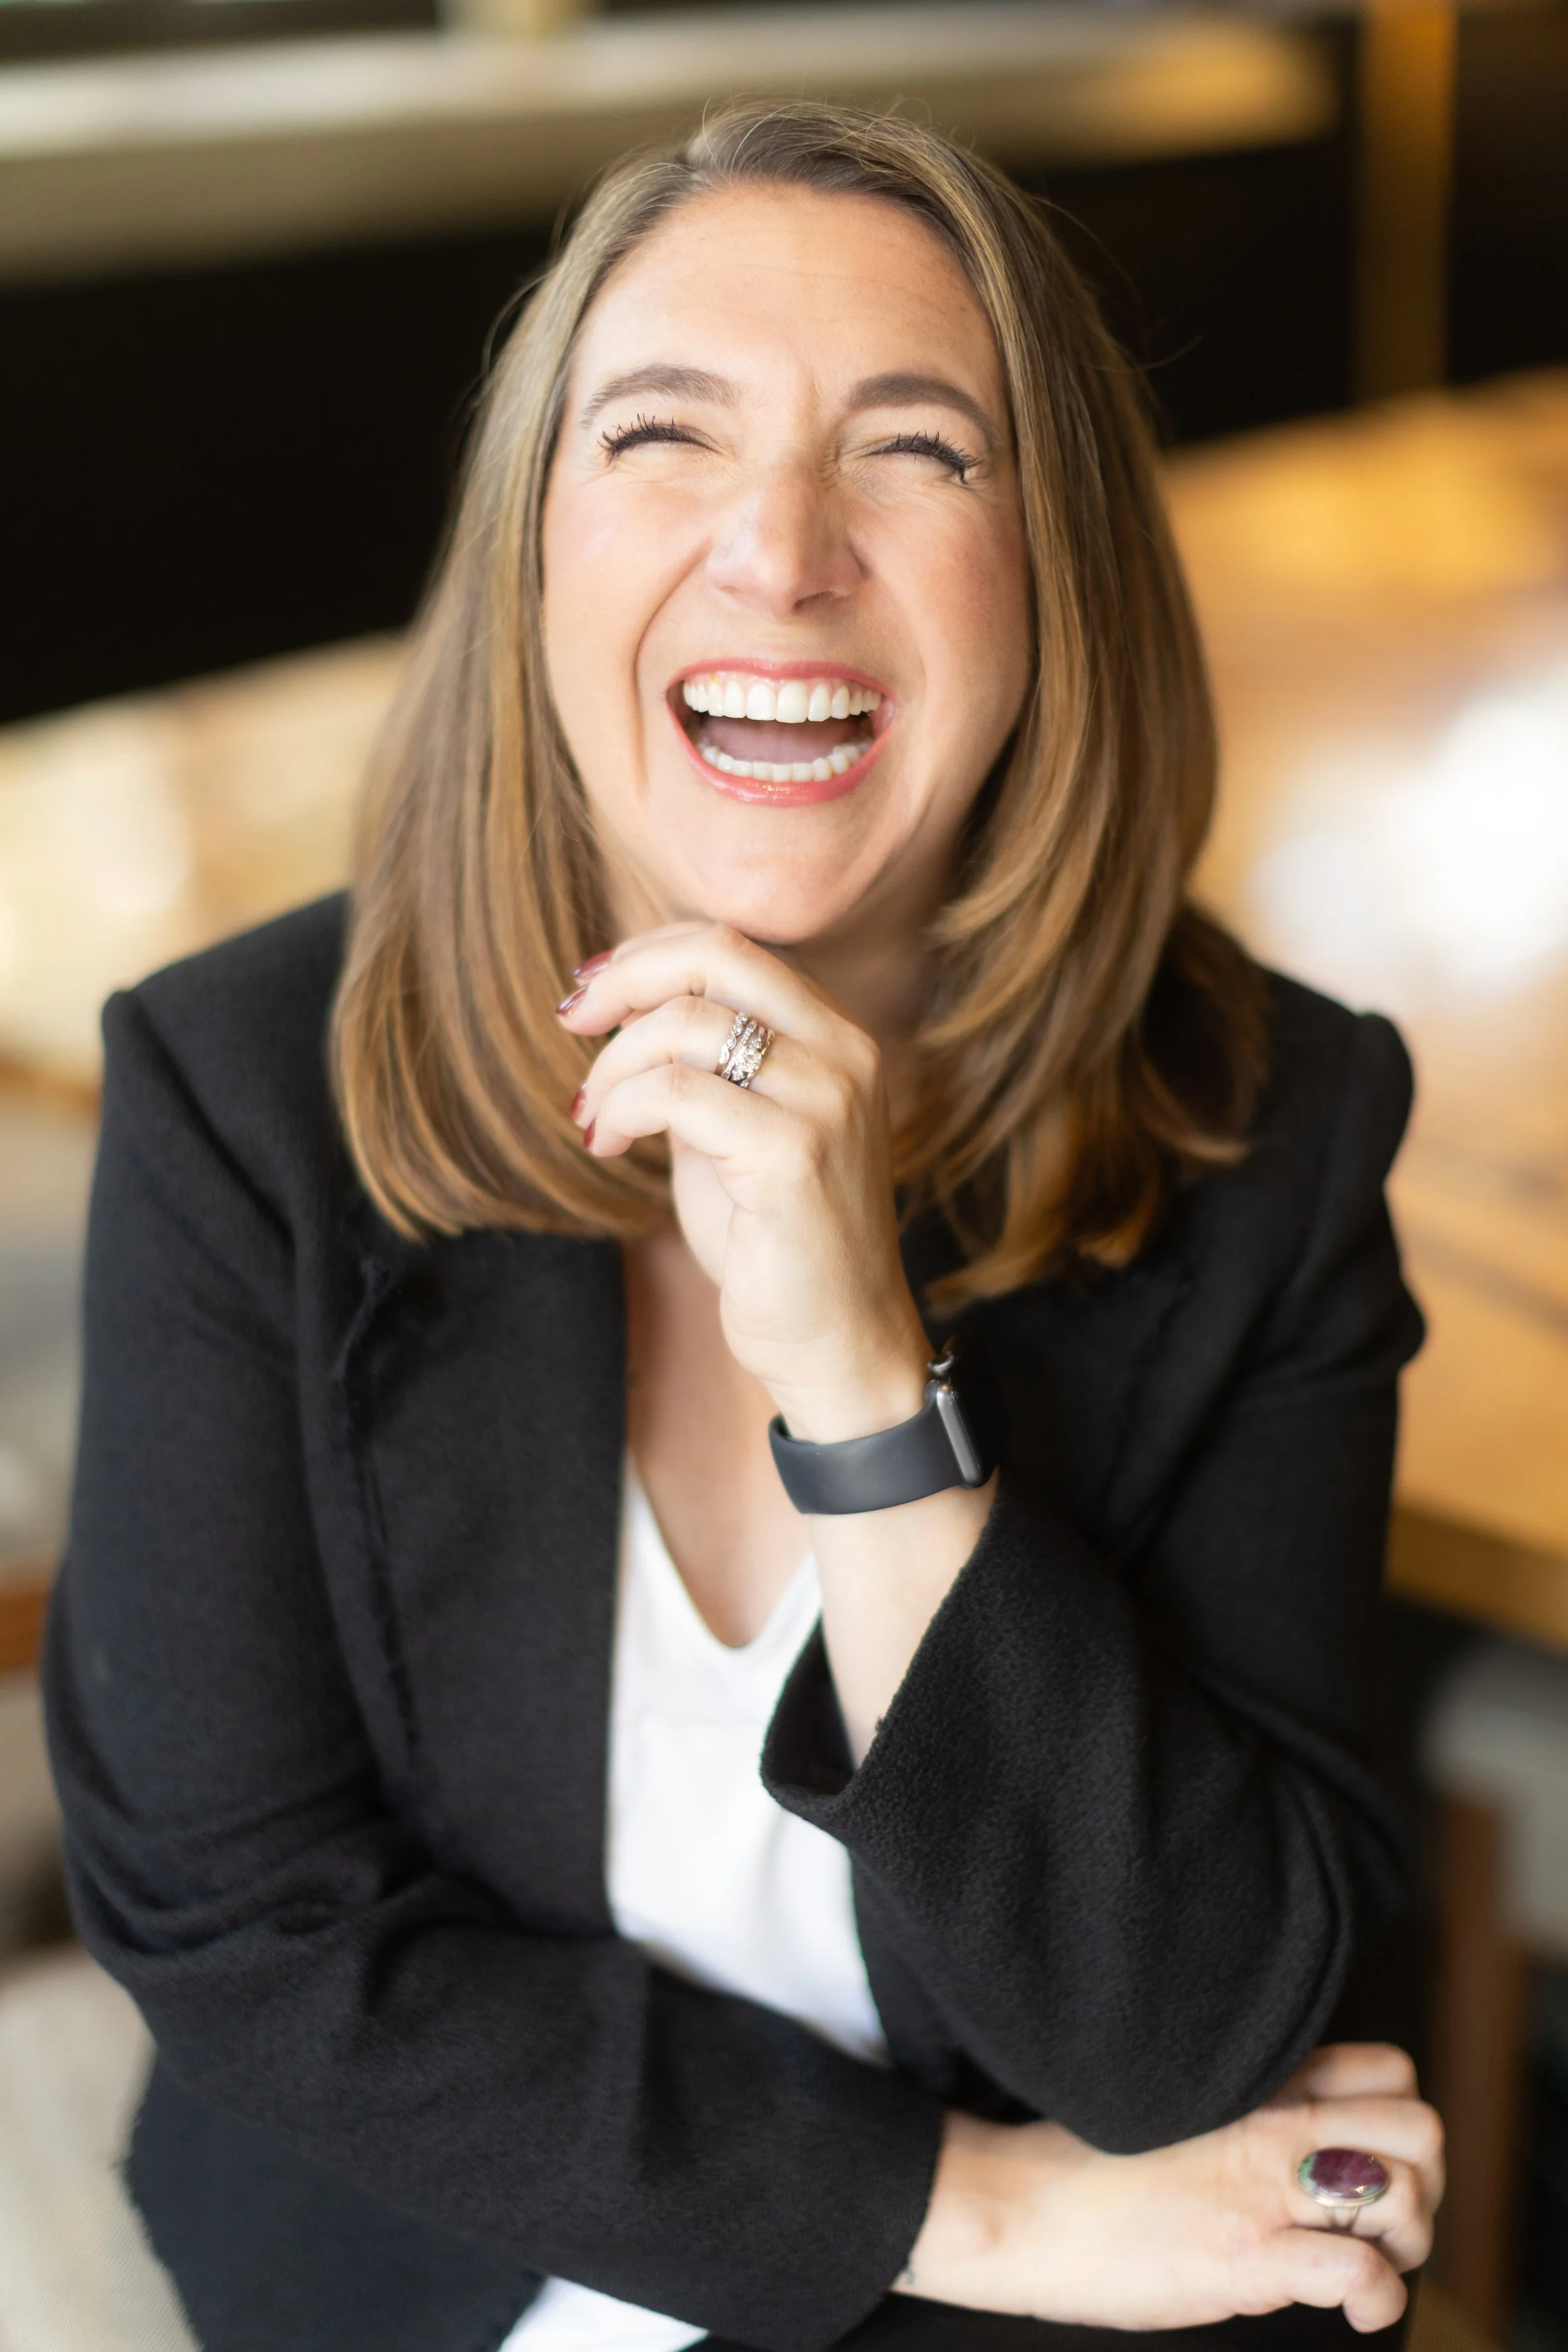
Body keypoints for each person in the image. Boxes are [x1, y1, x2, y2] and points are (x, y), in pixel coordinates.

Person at [45, 102, 1443, 2352]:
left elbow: (1183, 2037)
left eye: (916, 449)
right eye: (664, 438)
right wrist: (969, 2207)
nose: (779, 553)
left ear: (1052, 566)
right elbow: (247, 1932)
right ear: (533, 557)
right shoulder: (248, 1095)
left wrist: (863, 1380)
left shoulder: (1264, 1127)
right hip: (448, 2262)